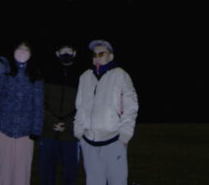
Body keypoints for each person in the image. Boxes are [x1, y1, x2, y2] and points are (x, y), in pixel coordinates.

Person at [74, 40, 139, 185]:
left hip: (114, 141)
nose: (97, 57)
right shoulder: (85, 77)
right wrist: (79, 133)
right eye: (94, 54)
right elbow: (80, 107)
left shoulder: (121, 75)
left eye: (101, 54)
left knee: (118, 182)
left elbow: (130, 107)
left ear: (111, 56)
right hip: (90, 142)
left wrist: (125, 136)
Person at [0, 42, 44, 185]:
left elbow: (38, 105)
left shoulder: (36, 75)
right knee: (2, 172)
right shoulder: (6, 66)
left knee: (22, 174)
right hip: (3, 129)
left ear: (31, 53)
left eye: (26, 49)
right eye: (19, 48)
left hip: (26, 133)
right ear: (13, 51)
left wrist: (36, 130)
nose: (22, 52)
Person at [38, 44, 81, 185]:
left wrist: (68, 125)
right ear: (57, 53)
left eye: (69, 50)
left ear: (74, 53)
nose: (66, 53)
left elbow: (84, 106)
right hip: (48, 132)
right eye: (63, 51)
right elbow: (40, 101)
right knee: (46, 172)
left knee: (70, 173)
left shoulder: (82, 77)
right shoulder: (47, 74)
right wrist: (51, 122)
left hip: (70, 134)